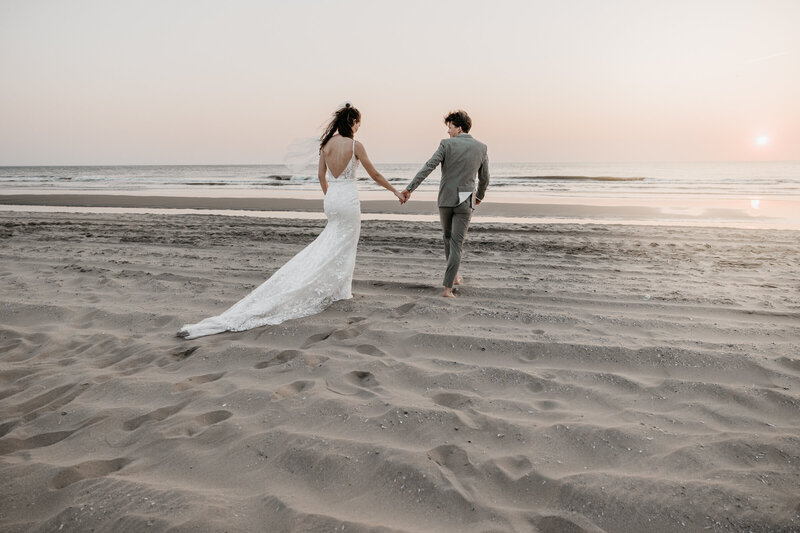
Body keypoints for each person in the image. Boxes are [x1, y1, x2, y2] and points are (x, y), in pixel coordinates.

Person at [178, 103, 404, 339]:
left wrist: (330, 197)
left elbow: (320, 175)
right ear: (353, 122)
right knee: (345, 245)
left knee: (330, 243)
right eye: (359, 123)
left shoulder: (326, 145)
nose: (359, 127)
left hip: (333, 199)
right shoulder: (356, 145)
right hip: (347, 200)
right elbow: (374, 174)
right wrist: (396, 192)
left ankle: (336, 288)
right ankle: (340, 291)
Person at [401, 110, 489, 297]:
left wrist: (410, 189)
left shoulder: (446, 145)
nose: (447, 132)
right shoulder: (481, 148)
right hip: (465, 199)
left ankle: (451, 281)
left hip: (446, 199)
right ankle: (451, 284)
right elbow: (485, 178)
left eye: (449, 127)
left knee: (448, 238)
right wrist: (479, 196)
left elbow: (429, 166)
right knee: (456, 242)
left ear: (459, 127)